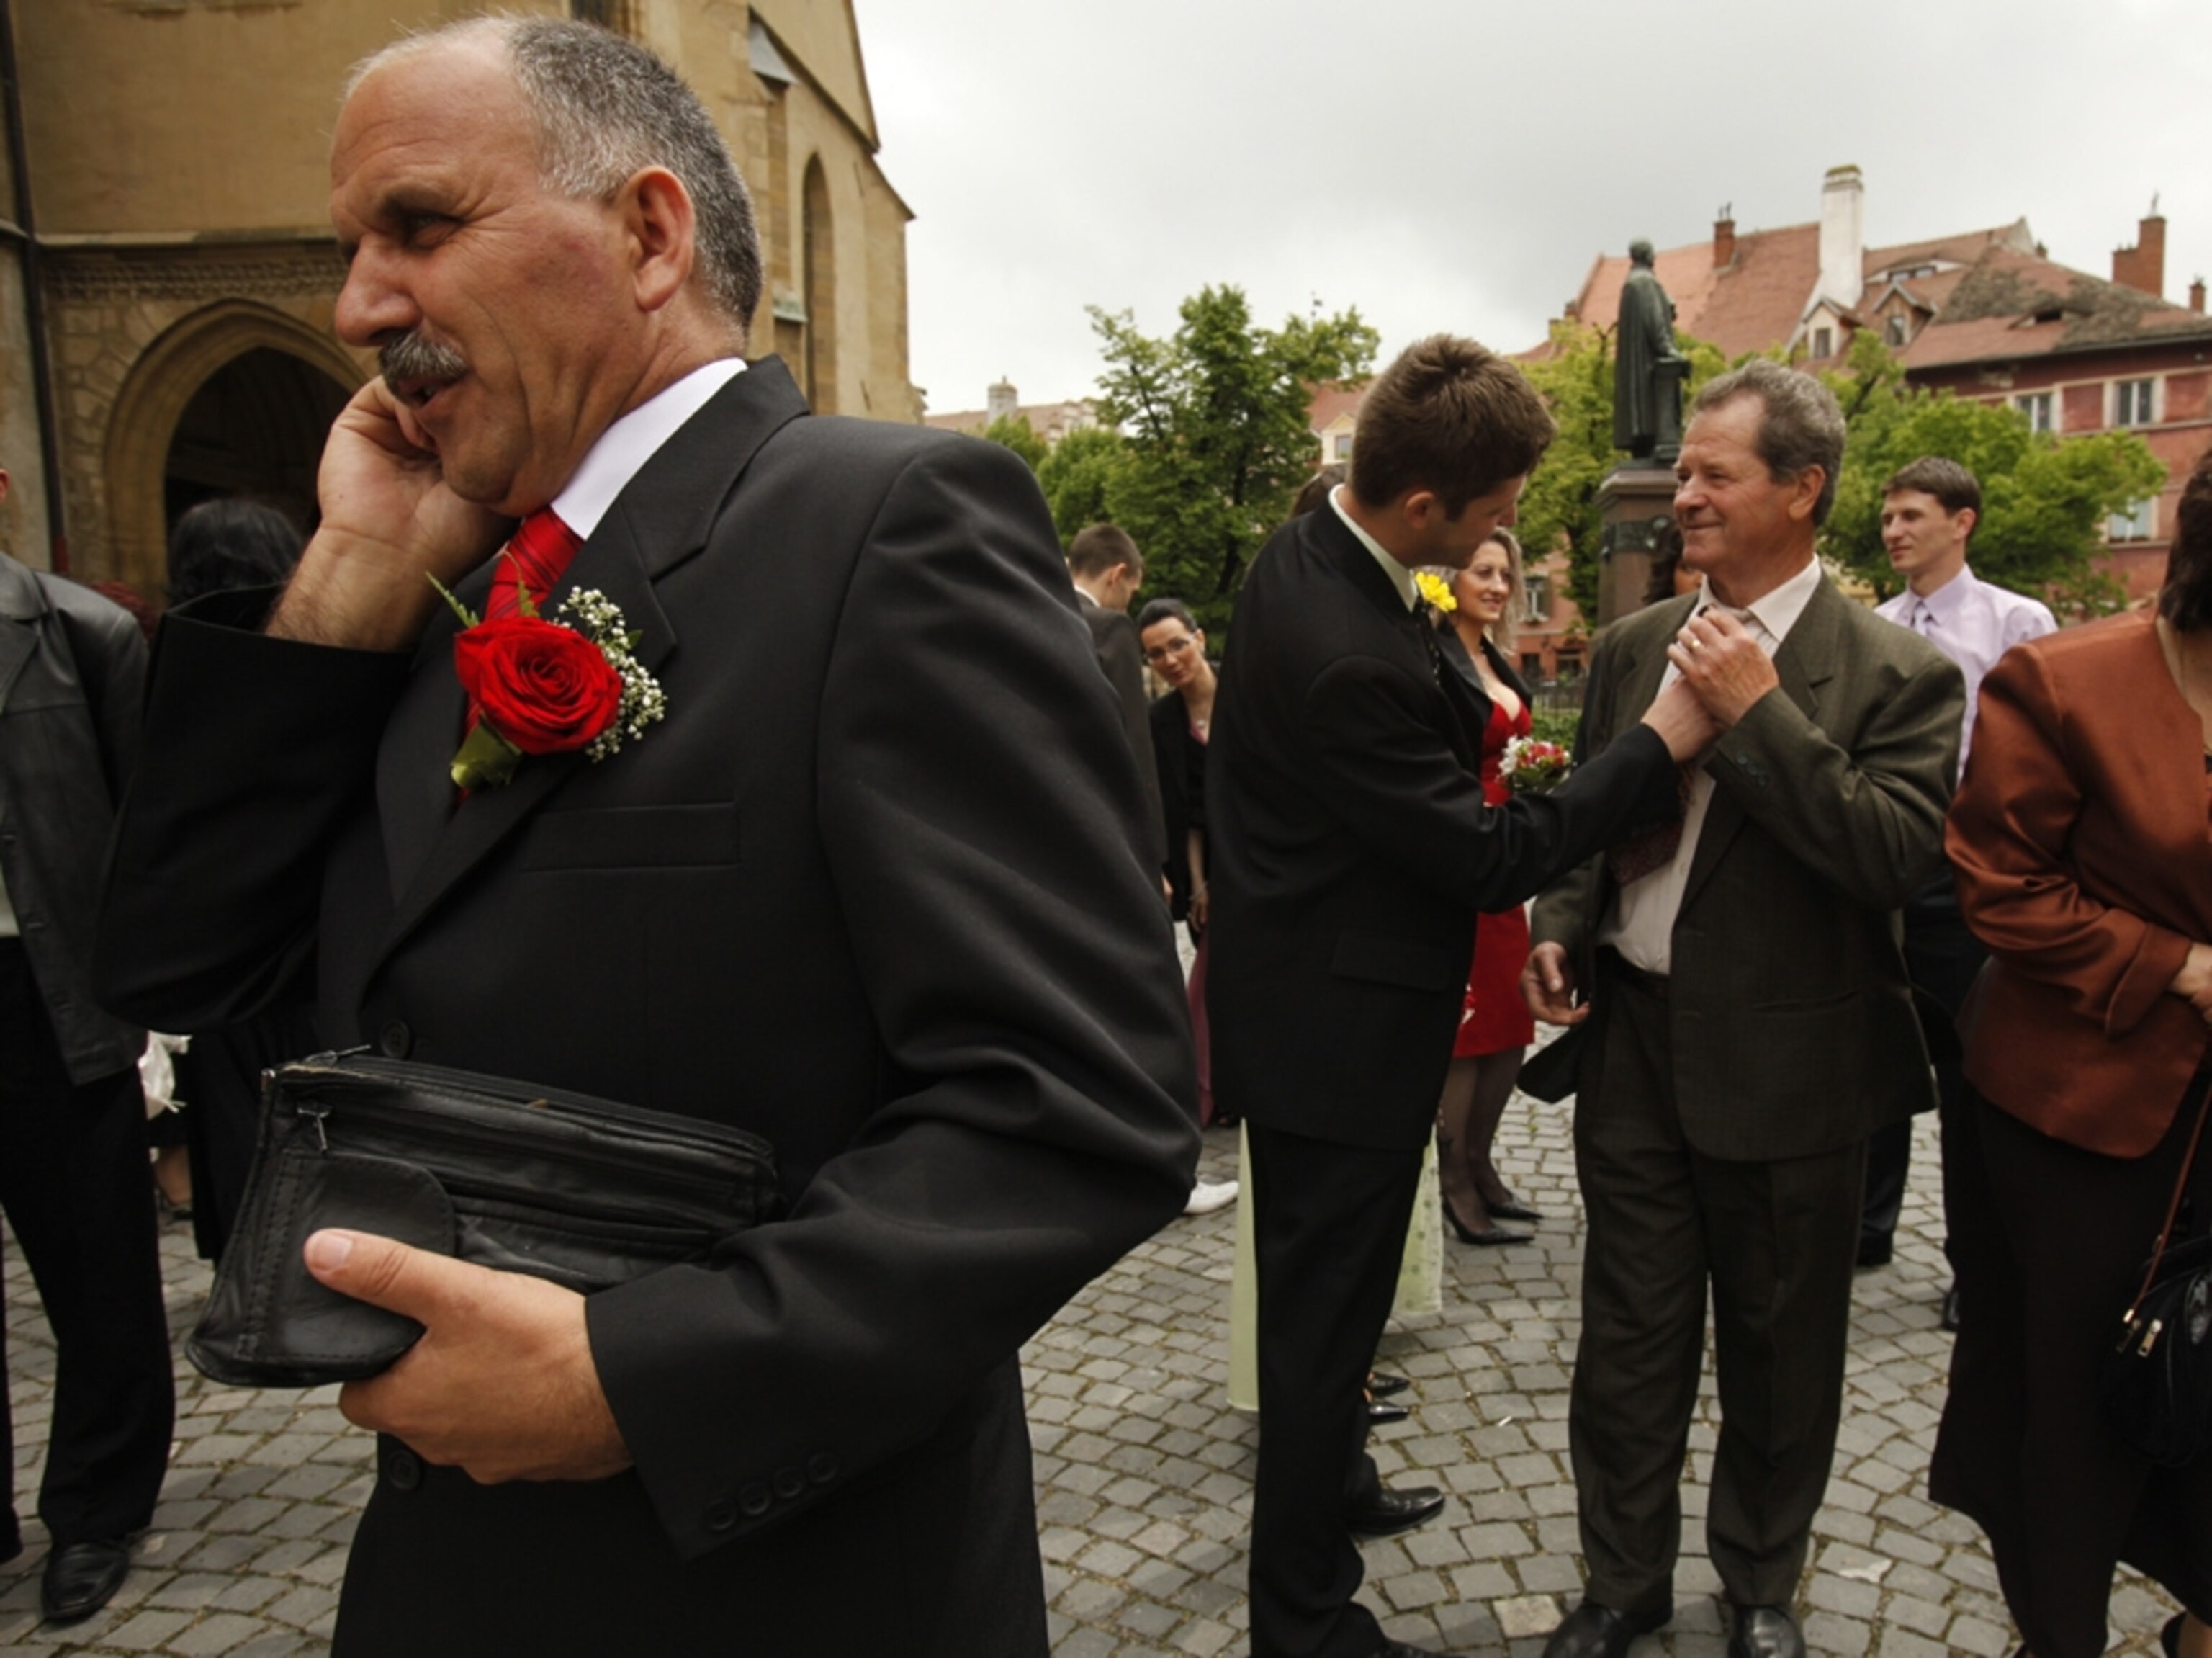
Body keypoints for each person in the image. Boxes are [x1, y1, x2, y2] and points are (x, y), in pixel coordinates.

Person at [93, 19, 1197, 1657]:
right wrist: (346, 577)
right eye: (347, 251)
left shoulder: (883, 525)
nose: (354, 307)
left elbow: (1075, 1104)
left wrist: (629, 1378)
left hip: (785, 1585)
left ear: (648, 232)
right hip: (454, 1580)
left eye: (416, 226)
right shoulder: (434, 578)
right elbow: (181, 958)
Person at [1208, 333, 1714, 1658]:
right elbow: (1486, 850)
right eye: (1491, 515)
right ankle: (1302, 1621)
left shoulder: (1323, 549)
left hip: (1322, 1000)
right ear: (1424, 505)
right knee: (1319, 1335)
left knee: (1342, 1302)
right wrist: (1656, 743)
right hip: (1336, 1034)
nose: (1504, 534)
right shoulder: (1343, 647)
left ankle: (1339, 1491)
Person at [1523, 359, 1963, 1658]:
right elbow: (1584, 833)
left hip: (1795, 1070)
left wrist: (1758, 717)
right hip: (1636, 1050)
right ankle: (1620, 1582)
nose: (1684, 498)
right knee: (1628, 1340)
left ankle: (1761, 1582)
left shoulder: (1895, 674)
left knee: (1781, 1353)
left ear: (1802, 488)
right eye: (1683, 475)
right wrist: (1558, 929)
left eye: (1715, 475)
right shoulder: (1626, 649)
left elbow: (1891, 857)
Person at [1933, 444, 2212, 1658]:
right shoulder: (2062, 678)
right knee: (2075, 1395)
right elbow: (1996, 885)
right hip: (2079, 1114)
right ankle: (2060, 1633)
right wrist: (2181, 966)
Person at [0, 465, 174, 1624]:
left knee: (97, 1266)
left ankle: (98, 1509)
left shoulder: (81, 632)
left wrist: (155, 1015)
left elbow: (148, 831)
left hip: (47, 987)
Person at [1860, 458, 2055, 1297]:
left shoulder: (2017, 620)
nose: (1895, 530)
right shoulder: (1876, 623)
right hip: (1887, 862)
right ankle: (1865, 1233)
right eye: (1889, 517)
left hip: (1974, 863)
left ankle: (1975, 1265)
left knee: (1974, 1068)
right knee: (1876, 1052)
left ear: (1961, 520)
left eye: (1911, 515)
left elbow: (2047, 746)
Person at [159, 498, 320, 1261]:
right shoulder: (328, 655)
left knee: (237, 1104)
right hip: (312, 925)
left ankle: (255, 1254)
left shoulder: (175, 665)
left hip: (224, 933)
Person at [1434, 529, 1542, 1245]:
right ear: (1450, 579)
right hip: (1462, 858)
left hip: (1508, 866)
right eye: (1483, 571)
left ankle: (1482, 1161)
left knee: (1510, 1021)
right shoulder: (1433, 663)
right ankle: (1453, 1182)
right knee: (1467, 1034)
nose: (1499, 584)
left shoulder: (1495, 658)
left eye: (1506, 572)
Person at [1139, 596, 1220, 1124]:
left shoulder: (1249, 694)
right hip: (1205, 865)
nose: (1170, 660)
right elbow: (1187, 813)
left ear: (1200, 640)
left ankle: (1206, 1092)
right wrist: (1196, 886)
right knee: (1213, 977)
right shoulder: (1160, 719)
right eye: (1155, 655)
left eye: (1176, 644)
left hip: (1262, 855)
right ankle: (1212, 1091)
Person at [1069, 522, 1166, 866]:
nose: (1127, 604)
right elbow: (1135, 743)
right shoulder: (1110, 629)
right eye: (1132, 592)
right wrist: (1152, 854)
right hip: (1108, 834)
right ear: (1117, 574)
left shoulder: (1026, 614)